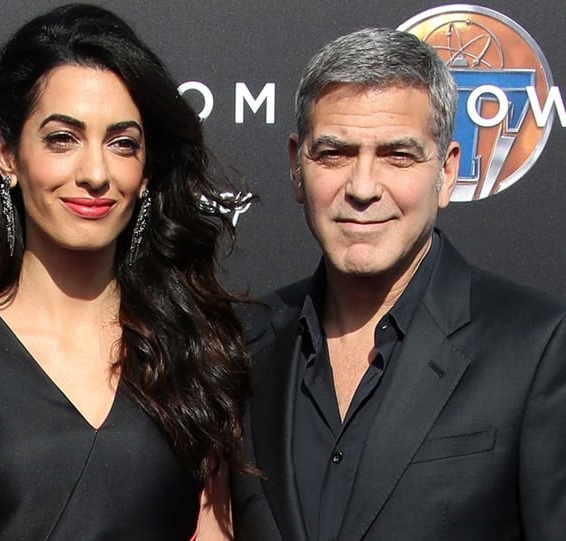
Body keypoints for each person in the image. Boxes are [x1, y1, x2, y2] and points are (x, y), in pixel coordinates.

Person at [0, 4, 251, 540]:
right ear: (7, 153)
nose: (95, 173)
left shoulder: (195, 348)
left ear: (145, 173)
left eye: (122, 144)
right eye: (62, 139)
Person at [230, 27, 566, 541]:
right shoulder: (242, 342)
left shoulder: (537, 347)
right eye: (335, 154)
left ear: (448, 172)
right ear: (296, 168)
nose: (363, 187)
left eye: (398, 156)